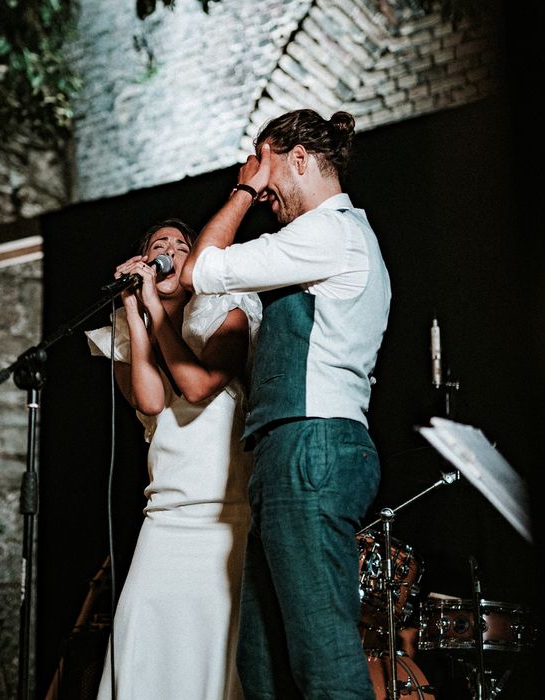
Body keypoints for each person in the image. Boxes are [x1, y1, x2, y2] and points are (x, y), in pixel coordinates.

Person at [180, 110, 391, 699]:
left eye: (266, 161)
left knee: (325, 662)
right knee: (265, 664)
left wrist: (243, 190)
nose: (262, 181)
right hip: (292, 451)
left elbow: (202, 268)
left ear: (299, 158)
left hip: (312, 448)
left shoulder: (330, 231)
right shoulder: (325, 239)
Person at [86, 219, 262, 700]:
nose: (168, 251)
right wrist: (133, 310)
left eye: (181, 247)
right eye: (157, 246)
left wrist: (155, 316)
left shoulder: (230, 310)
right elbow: (151, 401)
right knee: (142, 647)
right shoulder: (130, 330)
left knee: (213, 659)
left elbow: (199, 385)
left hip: (224, 521)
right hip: (163, 521)